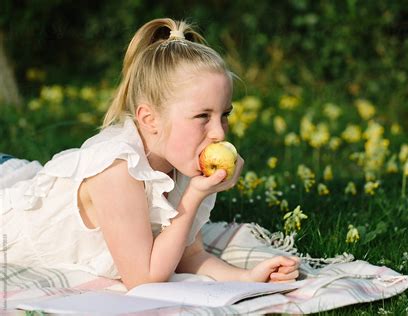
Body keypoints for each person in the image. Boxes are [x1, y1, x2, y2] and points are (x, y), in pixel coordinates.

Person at [0, 18, 299, 290]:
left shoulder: (183, 161)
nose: (219, 133)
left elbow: (188, 255)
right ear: (149, 119)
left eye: (224, 114)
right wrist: (192, 197)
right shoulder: (118, 170)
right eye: (202, 116)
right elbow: (143, 279)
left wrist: (248, 278)